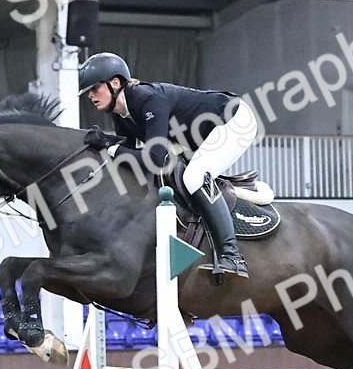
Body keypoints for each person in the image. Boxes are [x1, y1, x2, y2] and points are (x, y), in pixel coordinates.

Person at [78, 52, 259, 279]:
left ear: (115, 83)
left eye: (94, 89)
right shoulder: (121, 114)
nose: (90, 96)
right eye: (88, 92)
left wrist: (107, 144)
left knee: (194, 177)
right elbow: (130, 161)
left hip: (234, 119)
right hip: (201, 137)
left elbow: (154, 159)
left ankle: (232, 256)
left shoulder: (148, 99)